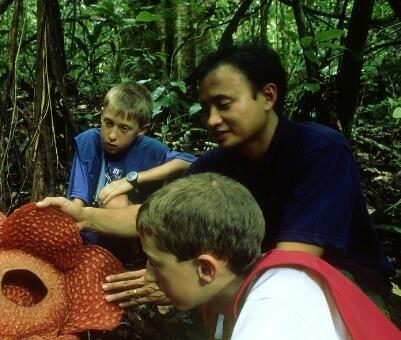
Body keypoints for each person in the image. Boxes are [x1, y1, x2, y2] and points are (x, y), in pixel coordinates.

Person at [37, 43, 393, 306]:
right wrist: (83, 216)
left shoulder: (319, 150)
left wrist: (188, 283)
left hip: (342, 284)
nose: (211, 120)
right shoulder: (215, 165)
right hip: (254, 277)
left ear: (268, 96)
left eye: (224, 104)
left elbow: (293, 265)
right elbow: (149, 217)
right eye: (207, 107)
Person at [134, 173, 400, 339]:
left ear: (206, 269)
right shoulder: (230, 295)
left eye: (156, 264)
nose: (148, 275)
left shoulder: (275, 310)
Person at [67, 81, 195, 258]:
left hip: (130, 240)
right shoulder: (89, 142)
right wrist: (69, 229)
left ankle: (123, 261)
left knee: (115, 201)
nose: (112, 135)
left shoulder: (149, 149)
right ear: (102, 114)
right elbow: (78, 198)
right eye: (108, 123)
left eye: (124, 128)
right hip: (89, 236)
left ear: (142, 129)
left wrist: (131, 179)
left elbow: (188, 161)